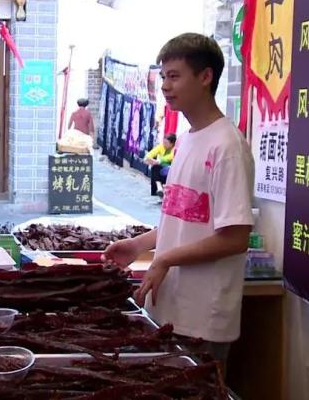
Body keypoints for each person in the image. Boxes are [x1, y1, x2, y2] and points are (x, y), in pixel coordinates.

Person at [103, 33, 254, 370]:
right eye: (163, 77)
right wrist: (139, 245)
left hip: (202, 319)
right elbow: (184, 217)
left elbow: (235, 237)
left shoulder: (227, 146)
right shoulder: (185, 141)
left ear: (205, 76)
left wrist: (166, 259)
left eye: (174, 76)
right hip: (168, 308)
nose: (165, 86)